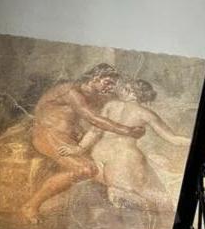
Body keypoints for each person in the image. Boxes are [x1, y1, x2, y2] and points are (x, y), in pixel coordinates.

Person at [21, 63, 144, 223]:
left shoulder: (93, 94)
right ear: (95, 78)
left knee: (106, 171)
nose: (110, 87)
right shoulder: (71, 91)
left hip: (69, 139)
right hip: (48, 135)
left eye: (112, 85)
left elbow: (91, 121)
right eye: (107, 82)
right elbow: (93, 119)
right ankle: (30, 206)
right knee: (85, 169)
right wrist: (127, 130)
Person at [77, 78, 189, 212]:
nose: (120, 91)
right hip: (123, 156)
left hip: (101, 154)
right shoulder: (145, 113)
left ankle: (172, 210)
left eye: (124, 88)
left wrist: (79, 148)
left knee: (121, 194)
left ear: (131, 91)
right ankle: (171, 209)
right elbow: (173, 139)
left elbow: (94, 131)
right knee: (130, 193)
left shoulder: (111, 105)